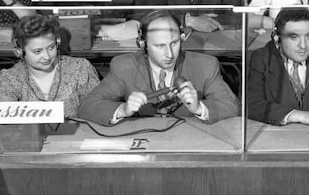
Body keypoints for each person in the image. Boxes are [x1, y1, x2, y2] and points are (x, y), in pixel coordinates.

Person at [78, 10, 240, 125]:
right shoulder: (124, 66)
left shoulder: (205, 65)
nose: (169, 54)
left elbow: (232, 106)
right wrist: (123, 110)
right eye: (160, 46)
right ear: (143, 44)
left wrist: (199, 108)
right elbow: (87, 107)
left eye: (174, 43)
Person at [0, 15, 100, 119]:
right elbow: (5, 120)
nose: (47, 56)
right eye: (38, 51)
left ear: (57, 42)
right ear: (19, 51)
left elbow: (97, 110)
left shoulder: (80, 68)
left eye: (51, 47)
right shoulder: (9, 78)